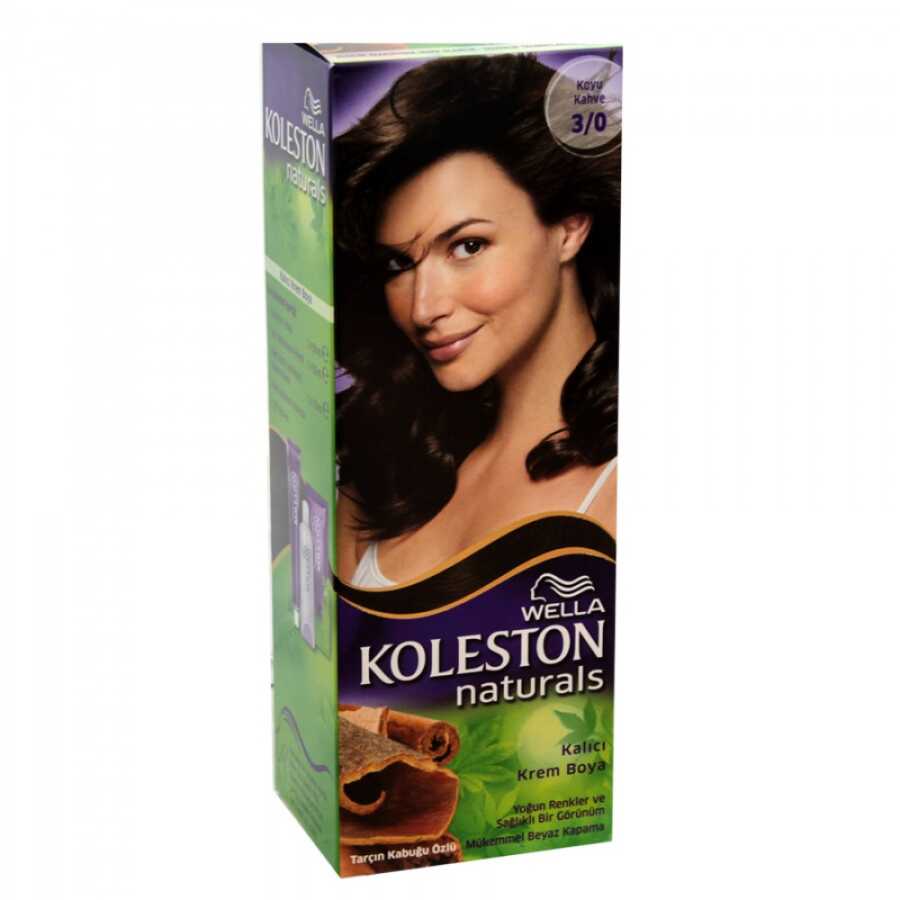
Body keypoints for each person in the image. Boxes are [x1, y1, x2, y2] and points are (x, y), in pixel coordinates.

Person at [334, 53, 620, 589]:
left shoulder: (617, 488)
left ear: (569, 228)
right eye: (399, 265)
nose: (423, 309)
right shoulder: (379, 484)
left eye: (467, 246)